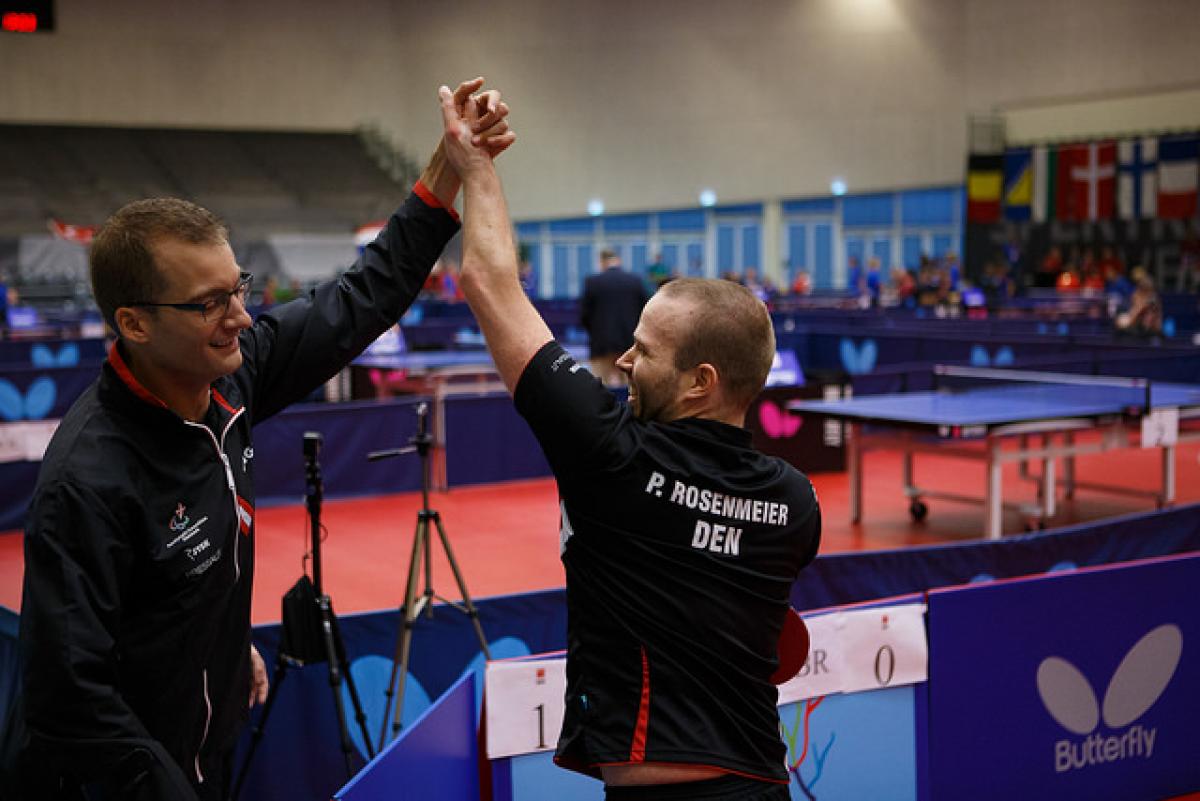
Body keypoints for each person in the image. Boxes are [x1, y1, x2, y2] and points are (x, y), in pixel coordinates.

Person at [2, 78, 513, 801]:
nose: (240, 316)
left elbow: (360, 296)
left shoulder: (230, 382)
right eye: (210, 303)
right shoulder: (86, 479)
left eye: (237, 286)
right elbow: (67, 700)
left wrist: (448, 166)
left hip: (206, 748)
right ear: (135, 323)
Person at [439, 83, 820, 799]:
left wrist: (478, 166)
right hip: (763, 781)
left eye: (644, 351)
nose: (623, 361)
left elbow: (489, 281)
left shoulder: (613, 456)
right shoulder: (797, 503)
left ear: (701, 380)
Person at [580, 247, 650, 386]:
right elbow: (646, 311)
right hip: (630, 344)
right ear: (618, 260)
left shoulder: (593, 282)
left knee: (600, 389)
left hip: (601, 343)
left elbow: (584, 315)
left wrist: (595, 332)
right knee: (631, 387)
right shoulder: (635, 281)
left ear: (601, 262)